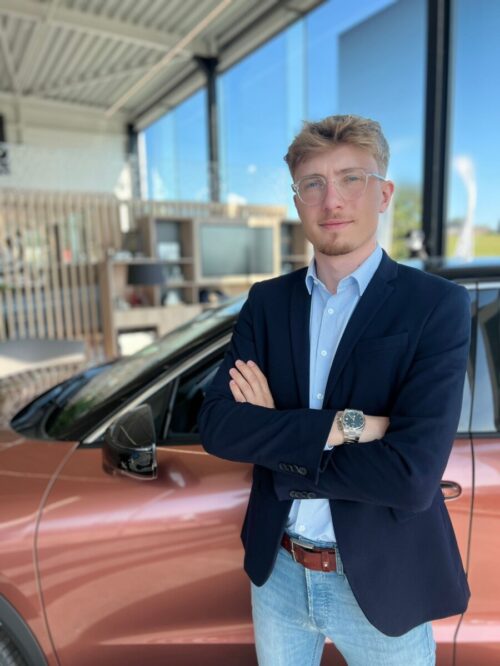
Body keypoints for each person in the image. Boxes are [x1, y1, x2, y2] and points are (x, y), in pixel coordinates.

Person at [198, 114, 471, 666]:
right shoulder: (267, 303)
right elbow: (218, 427)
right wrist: (349, 427)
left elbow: (411, 476)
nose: (332, 200)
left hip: (381, 578)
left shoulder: (435, 305)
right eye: (313, 184)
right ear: (297, 200)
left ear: (384, 194)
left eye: (351, 179)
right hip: (278, 571)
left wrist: (277, 443)